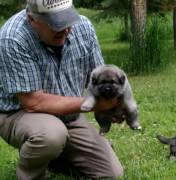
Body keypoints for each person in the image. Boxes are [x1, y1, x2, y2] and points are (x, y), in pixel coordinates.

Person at [0, 0, 124, 179]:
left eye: (68, 20)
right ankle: (31, 173)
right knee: (51, 135)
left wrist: (114, 102)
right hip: (18, 113)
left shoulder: (84, 27)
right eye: (57, 23)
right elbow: (33, 102)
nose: (66, 29)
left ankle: (56, 159)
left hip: (69, 115)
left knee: (111, 173)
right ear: (32, 20)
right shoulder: (13, 38)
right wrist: (92, 103)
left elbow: (98, 78)